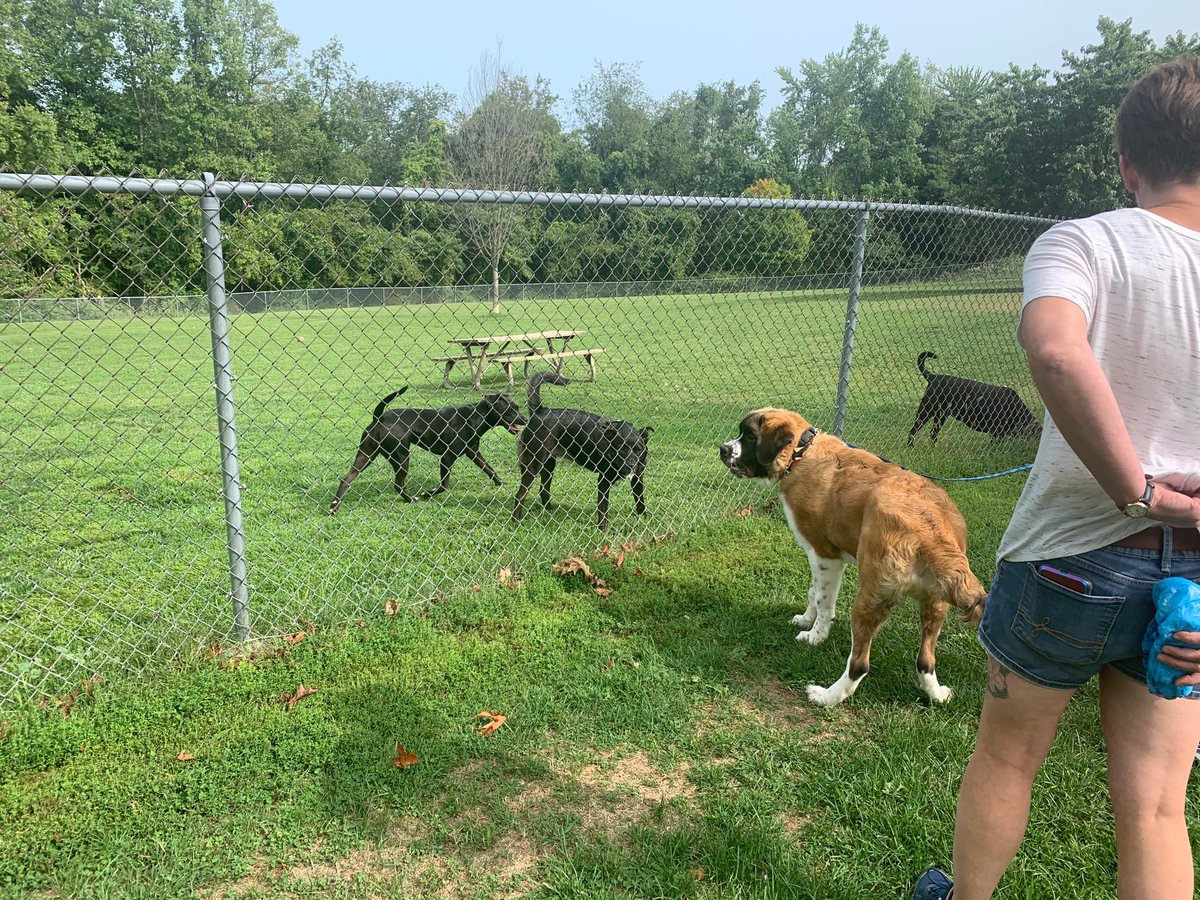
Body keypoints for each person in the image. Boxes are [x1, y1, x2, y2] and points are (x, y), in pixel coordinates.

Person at [914, 55, 1200, 900]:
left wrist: (1138, 491)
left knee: (1007, 755)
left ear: (1126, 162)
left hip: (1069, 559)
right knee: (1156, 806)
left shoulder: (1087, 240)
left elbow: (1052, 348)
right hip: (1191, 575)